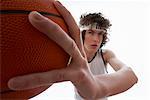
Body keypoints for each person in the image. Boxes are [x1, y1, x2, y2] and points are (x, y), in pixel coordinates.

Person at [8, 1, 138, 100]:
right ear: (82, 34)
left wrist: (97, 87)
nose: (96, 39)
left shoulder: (105, 54)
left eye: (100, 34)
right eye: (91, 32)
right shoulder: (68, 57)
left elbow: (130, 75)